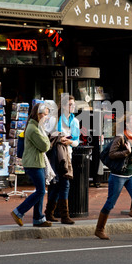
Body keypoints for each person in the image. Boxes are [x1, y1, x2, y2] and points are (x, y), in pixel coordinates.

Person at [10, 103, 52, 227]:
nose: (46, 118)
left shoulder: (37, 127)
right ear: (38, 114)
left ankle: (38, 218)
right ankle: (18, 212)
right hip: (33, 163)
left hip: (36, 162)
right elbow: (45, 146)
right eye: (45, 115)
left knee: (41, 190)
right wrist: (48, 141)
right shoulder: (33, 129)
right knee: (40, 191)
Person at [44, 95, 79, 224]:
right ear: (64, 106)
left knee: (63, 183)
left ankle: (51, 213)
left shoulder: (74, 121)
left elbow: (76, 141)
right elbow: (47, 134)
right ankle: (60, 215)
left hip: (67, 155)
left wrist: (69, 141)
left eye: (73, 104)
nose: (72, 106)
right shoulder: (55, 119)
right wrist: (59, 137)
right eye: (70, 104)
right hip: (55, 155)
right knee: (58, 184)